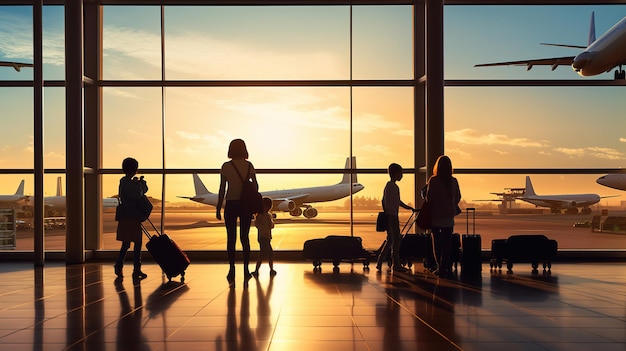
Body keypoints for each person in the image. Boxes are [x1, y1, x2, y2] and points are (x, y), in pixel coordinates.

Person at [217, 139, 258, 282]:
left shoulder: (226, 166)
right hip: (246, 205)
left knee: (231, 238)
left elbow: (222, 188)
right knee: (245, 238)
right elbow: (256, 186)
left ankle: (232, 269)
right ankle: (246, 269)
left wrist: (218, 207)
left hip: (231, 204)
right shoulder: (249, 166)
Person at [424, 155, 461, 278]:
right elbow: (458, 197)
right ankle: (445, 267)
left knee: (437, 243)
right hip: (448, 216)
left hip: (435, 216)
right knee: (447, 244)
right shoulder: (453, 181)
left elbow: (429, 198)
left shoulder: (433, 180)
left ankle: (439, 267)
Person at [376, 163, 415, 273]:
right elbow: (398, 202)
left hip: (389, 215)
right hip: (393, 217)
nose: (402, 176)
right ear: (396, 173)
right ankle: (396, 264)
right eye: (401, 173)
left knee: (390, 240)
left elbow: (384, 201)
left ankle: (379, 262)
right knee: (396, 240)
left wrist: (386, 211)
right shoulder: (393, 186)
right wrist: (409, 208)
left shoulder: (388, 186)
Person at [114, 157, 149, 280]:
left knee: (126, 243)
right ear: (135, 169)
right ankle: (136, 269)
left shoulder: (123, 182)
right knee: (137, 243)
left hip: (126, 216)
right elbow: (138, 194)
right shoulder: (128, 183)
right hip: (132, 216)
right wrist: (141, 185)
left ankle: (119, 265)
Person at [251, 197, 276, 277]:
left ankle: (258, 270)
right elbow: (258, 225)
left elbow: (271, 226)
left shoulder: (268, 215)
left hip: (267, 237)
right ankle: (269, 269)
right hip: (263, 237)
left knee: (263, 254)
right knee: (268, 253)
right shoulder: (260, 215)